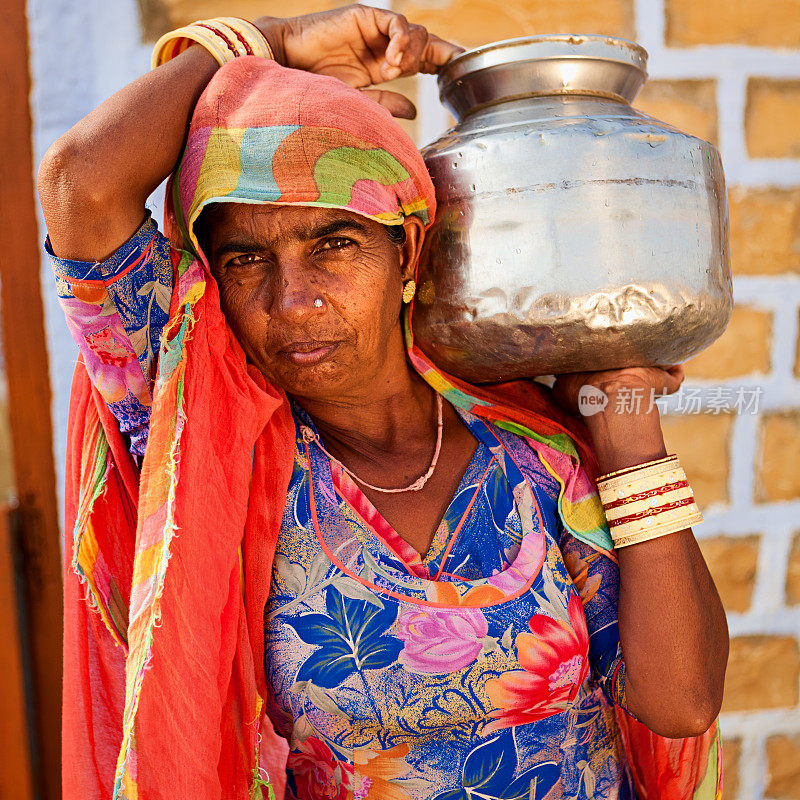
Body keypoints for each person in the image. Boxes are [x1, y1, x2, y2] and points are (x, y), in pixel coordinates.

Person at [38, 6, 729, 799]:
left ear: (409, 250)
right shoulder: (216, 447)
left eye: (334, 243)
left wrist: (630, 438)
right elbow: (78, 185)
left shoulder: (532, 456)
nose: (292, 301)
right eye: (246, 258)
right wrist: (262, 48)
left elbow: (680, 702)